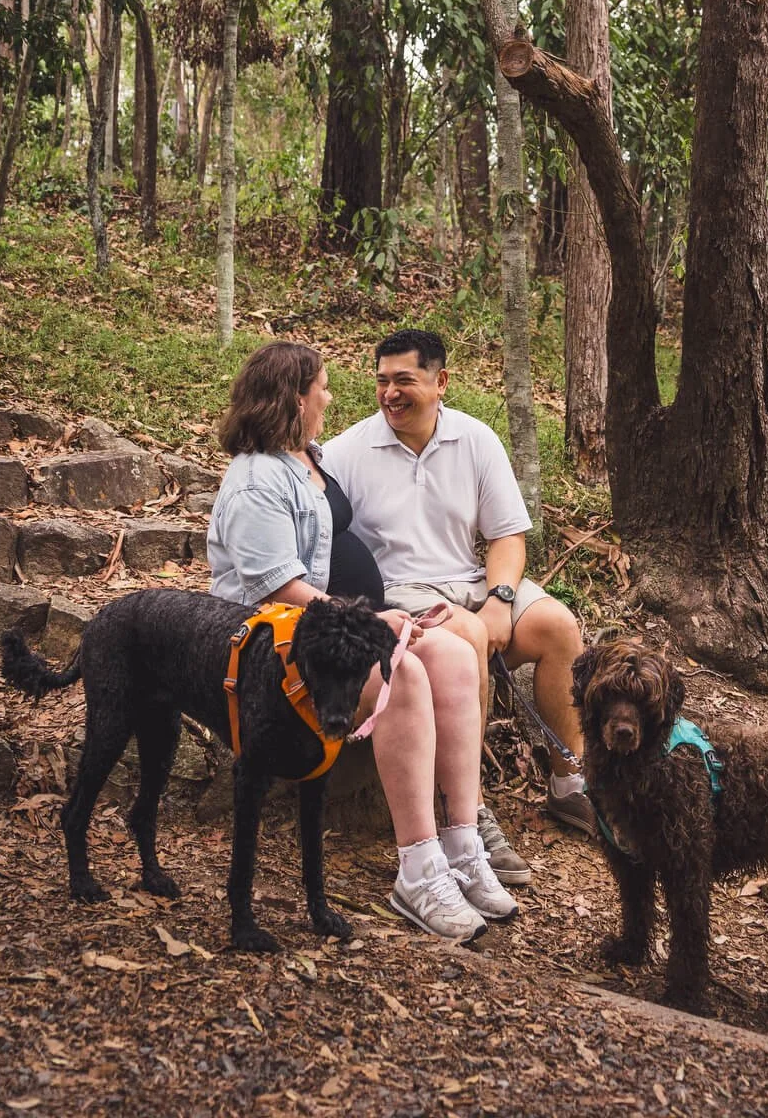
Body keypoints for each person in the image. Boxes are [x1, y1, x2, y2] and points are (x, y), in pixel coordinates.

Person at [207, 340, 518, 942]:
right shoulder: (255, 479)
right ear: (294, 399)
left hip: (329, 625)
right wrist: (372, 622)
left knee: (454, 655)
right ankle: (418, 870)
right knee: (405, 674)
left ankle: (462, 844)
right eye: (321, 387)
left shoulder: (306, 455)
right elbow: (278, 587)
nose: (330, 396)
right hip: (273, 640)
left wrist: (381, 616)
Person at [323, 327, 595, 888]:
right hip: (400, 591)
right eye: (382, 381)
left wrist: (500, 599)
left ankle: (569, 781)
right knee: (468, 637)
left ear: (440, 381)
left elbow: (507, 536)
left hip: (471, 581)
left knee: (557, 626)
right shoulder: (347, 451)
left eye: (404, 380)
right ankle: (467, 811)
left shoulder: (475, 439)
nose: (390, 393)